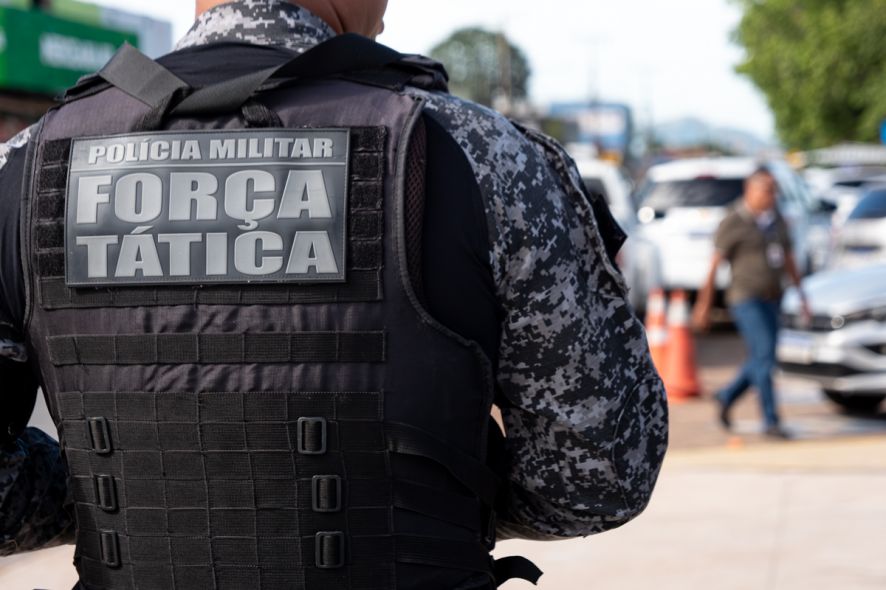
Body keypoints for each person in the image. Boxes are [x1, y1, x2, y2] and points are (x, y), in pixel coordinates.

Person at [0, 1, 668, 588]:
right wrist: (418, 497)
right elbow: (600, 475)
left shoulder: (26, 169)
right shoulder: (483, 154)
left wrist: (128, 494)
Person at [692, 167, 809, 439]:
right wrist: (703, 305)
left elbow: (789, 258)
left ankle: (727, 395)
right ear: (750, 190)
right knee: (765, 357)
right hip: (745, 298)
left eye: (774, 190)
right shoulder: (734, 220)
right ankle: (771, 420)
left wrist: (802, 294)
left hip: (773, 298)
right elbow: (714, 266)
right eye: (766, 190)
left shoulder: (777, 219)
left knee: (762, 357)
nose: (772, 196)